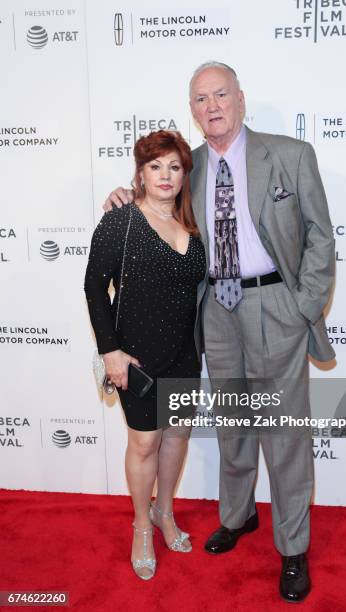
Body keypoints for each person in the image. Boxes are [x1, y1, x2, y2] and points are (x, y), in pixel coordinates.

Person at [103, 62, 335, 602]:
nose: (212, 106)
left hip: (277, 303)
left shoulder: (291, 155)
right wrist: (120, 197)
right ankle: (236, 517)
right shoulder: (190, 168)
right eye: (201, 98)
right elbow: (152, 206)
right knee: (234, 425)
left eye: (221, 94)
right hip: (216, 312)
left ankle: (293, 547)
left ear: (240, 98)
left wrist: (303, 306)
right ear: (193, 110)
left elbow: (322, 237)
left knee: (283, 433)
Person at [84, 130, 206, 580]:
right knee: (145, 442)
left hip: (183, 353)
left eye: (174, 166)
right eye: (156, 166)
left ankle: (165, 512)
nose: (165, 175)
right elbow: (94, 286)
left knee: (176, 437)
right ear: (140, 172)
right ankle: (141, 526)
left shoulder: (190, 224)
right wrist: (110, 352)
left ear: (183, 175)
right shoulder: (122, 221)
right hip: (135, 356)